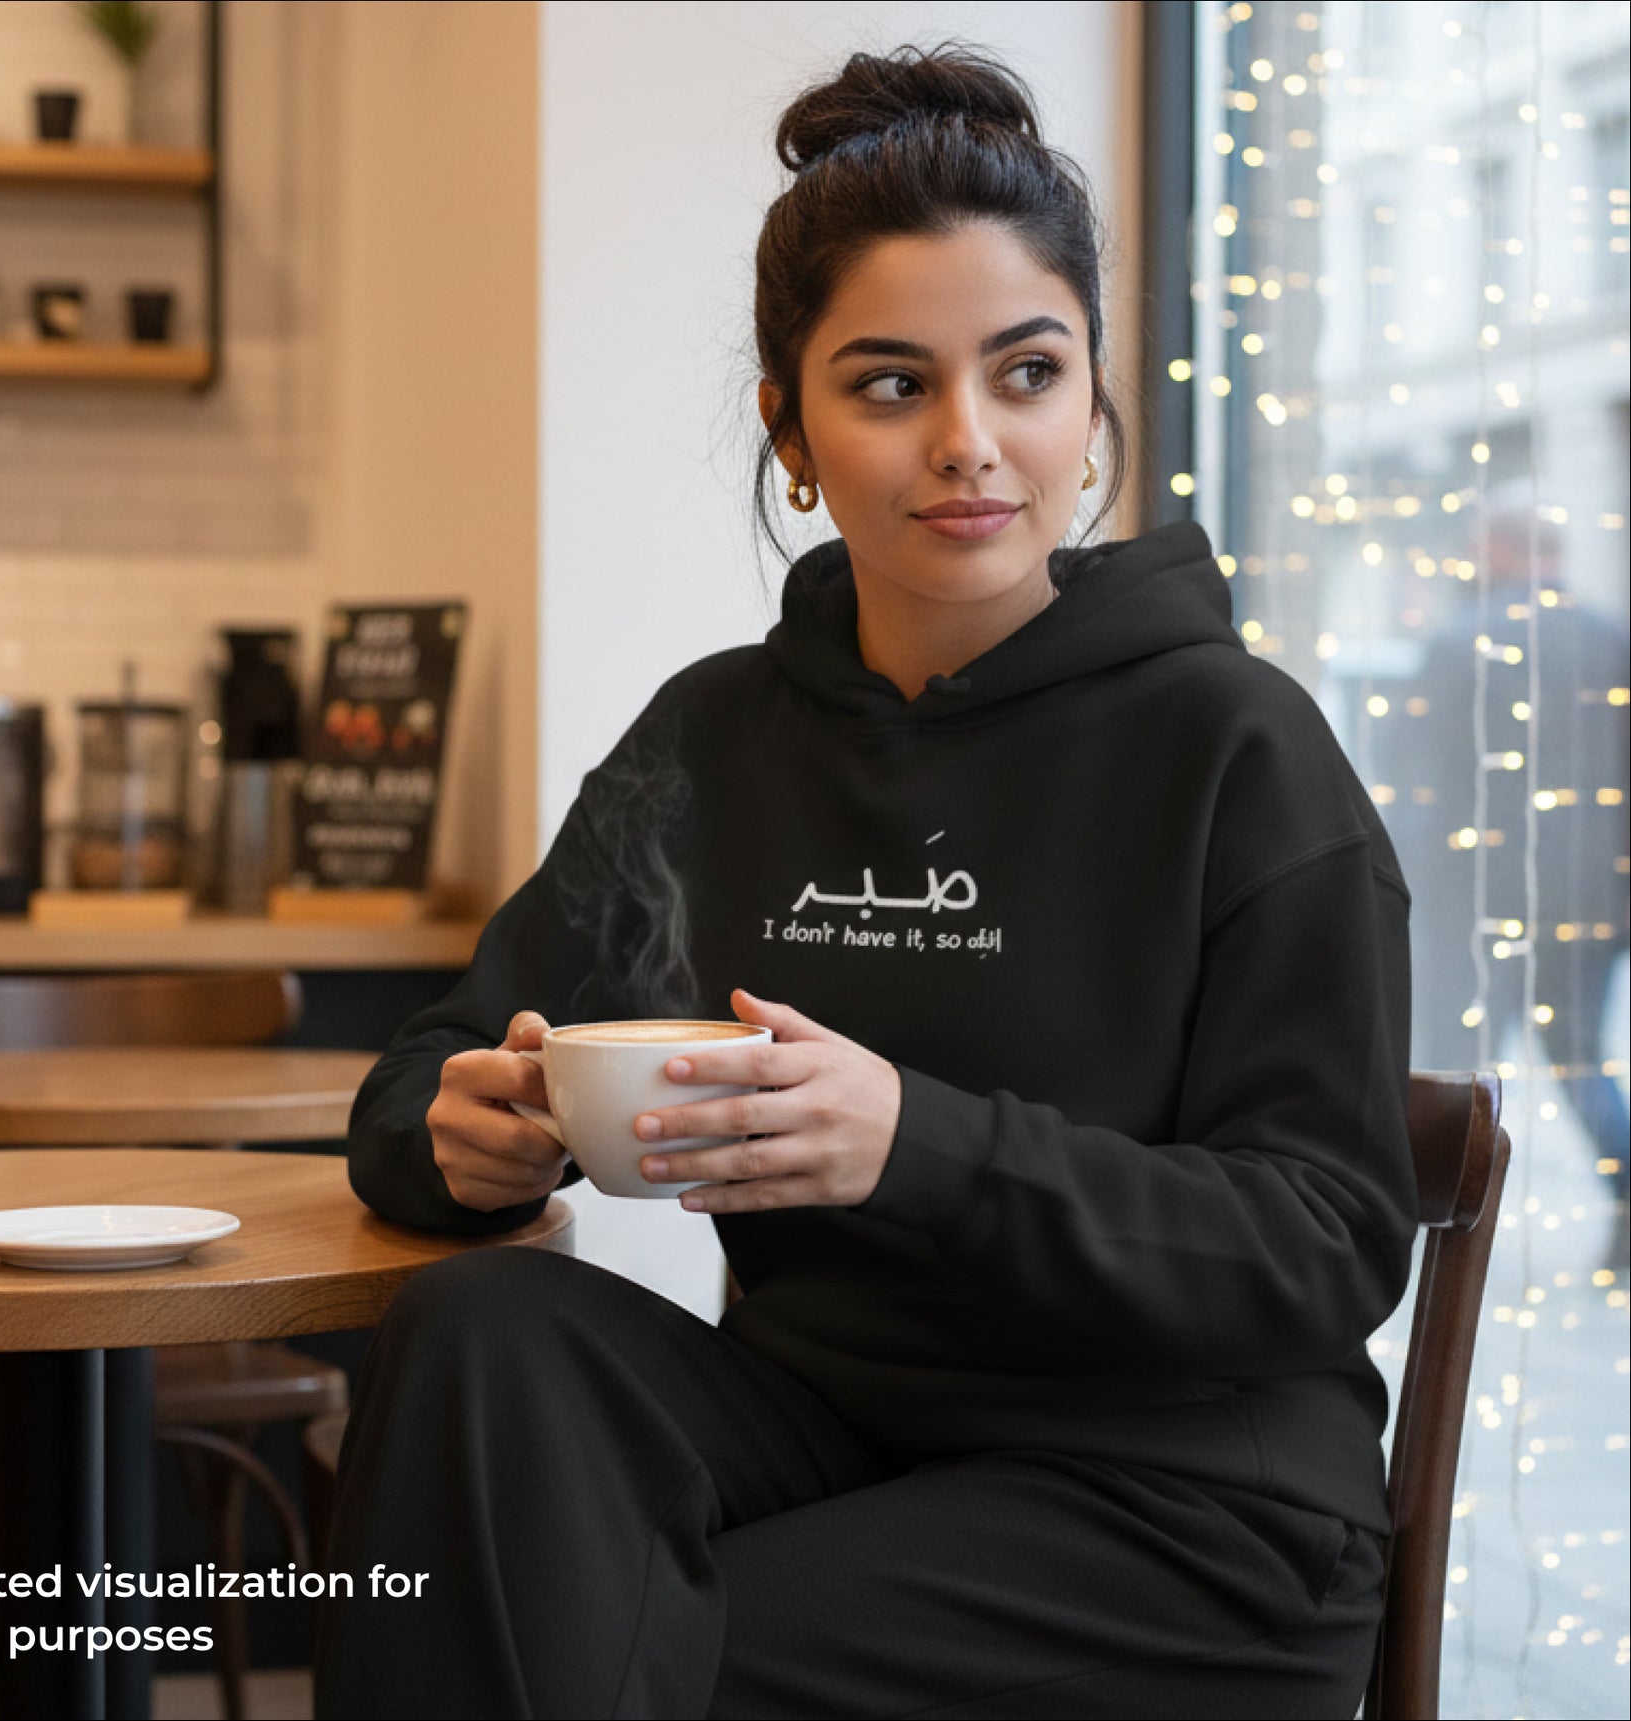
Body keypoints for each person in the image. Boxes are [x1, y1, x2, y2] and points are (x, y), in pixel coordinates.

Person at [314, 43, 1416, 1720]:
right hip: (829, 1443)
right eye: (892, 383)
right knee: (484, 1331)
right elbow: (436, 1067)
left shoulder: (1235, 746)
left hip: (1181, 1503)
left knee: (574, 1638)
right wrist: (453, 1138)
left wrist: (919, 1144)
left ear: (1094, 400)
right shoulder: (714, 740)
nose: (970, 443)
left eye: (1026, 373)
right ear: (794, 428)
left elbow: (1327, 1240)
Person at [1381, 500, 1630, 1270]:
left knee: (1456, 1066)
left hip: (1480, 893)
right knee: (1581, 1060)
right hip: (1590, 896)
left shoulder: (1461, 642)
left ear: (1499, 550)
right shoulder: (1611, 641)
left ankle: (1434, 1235)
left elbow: (1412, 774)